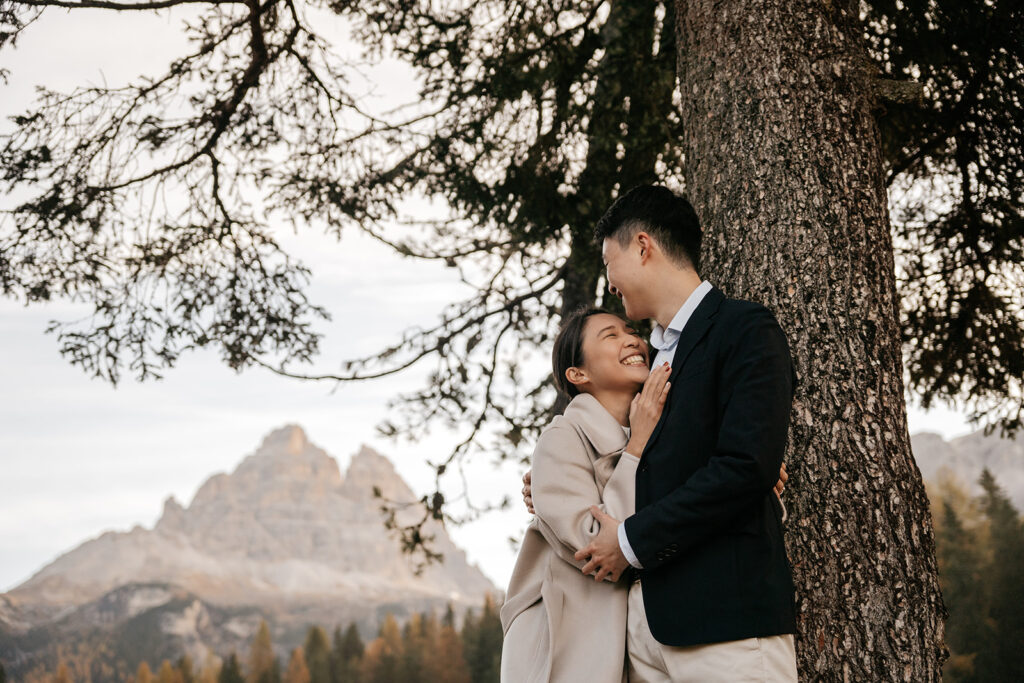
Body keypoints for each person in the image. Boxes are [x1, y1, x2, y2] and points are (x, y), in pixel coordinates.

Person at [521, 185, 799, 681]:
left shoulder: (742, 329)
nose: (610, 283)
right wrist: (551, 483)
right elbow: (657, 462)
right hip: (641, 640)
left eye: (610, 263)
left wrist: (627, 541)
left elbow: (744, 465)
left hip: (724, 626)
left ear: (643, 247)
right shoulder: (650, 366)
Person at [500, 306, 672, 682]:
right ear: (578, 374)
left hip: (625, 644)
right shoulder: (562, 437)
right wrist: (637, 447)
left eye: (631, 331)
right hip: (560, 643)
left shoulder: (654, 433)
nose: (632, 339)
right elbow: (594, 545)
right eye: (610, 335)